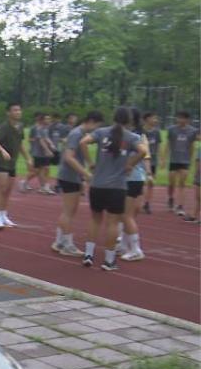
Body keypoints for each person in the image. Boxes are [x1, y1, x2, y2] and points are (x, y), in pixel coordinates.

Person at [78, 107, 147, 271]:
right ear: (129, 120)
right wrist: (130, 164)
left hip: (97, 184)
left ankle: (88, 254)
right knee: (113, 222)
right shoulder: (131, 137)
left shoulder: (101, 132)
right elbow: (143, 151)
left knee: (95, 219)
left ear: (114, 118)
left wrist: (90, 163)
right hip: (117, 187)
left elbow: (83, 142)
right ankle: (109, 261)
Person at [51, 110, 104, 256]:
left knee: (69, 211)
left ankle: (59, 241)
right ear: (91, 121)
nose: (97, 130)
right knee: (68, 211)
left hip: (71, 176)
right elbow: (69, 157)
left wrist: (86, 168)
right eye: (97, 126)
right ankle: (67, 245)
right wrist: (85, 173)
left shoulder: (79, 134)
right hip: (69, 176)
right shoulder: (76, 134)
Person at [0, 103, 33, 229]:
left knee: (8, 191)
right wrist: (2, 151)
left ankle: (4, 215)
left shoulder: (20, 127)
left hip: (12, 162)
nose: (18, 112)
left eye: (19, 110)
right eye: (15, 110)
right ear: (8, 113)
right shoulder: (5, 127)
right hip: (2, 163)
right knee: (2, 189)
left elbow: (20, 144)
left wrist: (28, 158)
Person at [119, 107, 151, 261]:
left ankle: (136, 249)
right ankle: (124, 245)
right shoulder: (137, 135)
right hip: (136, 178)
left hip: (131, 178)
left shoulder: (133, 136)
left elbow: (144, 155)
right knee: (128, 214)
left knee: (126, 215)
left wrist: (129, 164)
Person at [163, 110, 199, 216]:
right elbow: (168, 144)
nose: (181, 120)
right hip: (174, 160)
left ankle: (180, 206)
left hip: (185, 160)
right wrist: (164, 158)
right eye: (179, 118)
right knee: (172, 182)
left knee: (182, 183)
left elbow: (192, 145)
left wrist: (191, 159)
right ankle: (170, 198)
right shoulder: (172, 130)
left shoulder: (192, 131)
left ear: (188, 120)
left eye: (183, 118)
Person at [25, 113, 56, 194]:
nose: (49, 120)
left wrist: (51, 144)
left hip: (43, 153)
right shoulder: (37, 128)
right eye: (47, 119)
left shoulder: (45, 129)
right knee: (38, 171)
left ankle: (44, 186)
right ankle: (24, 182)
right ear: (42, 120)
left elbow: (46, 138)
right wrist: (47, 150)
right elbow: (41, 140)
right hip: (38, 153)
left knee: (44, 169)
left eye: (49, 119)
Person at [142, 112, 162, 214]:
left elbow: (158, 146)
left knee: (151, 183)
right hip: (141, 161)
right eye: (154, 118)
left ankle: (147, 203)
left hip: (153, 161)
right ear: (147, 119)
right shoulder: (141, 131)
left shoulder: (157, 132)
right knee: (139, 182)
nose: (156, 120)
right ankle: (138, 202)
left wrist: (160, 159)